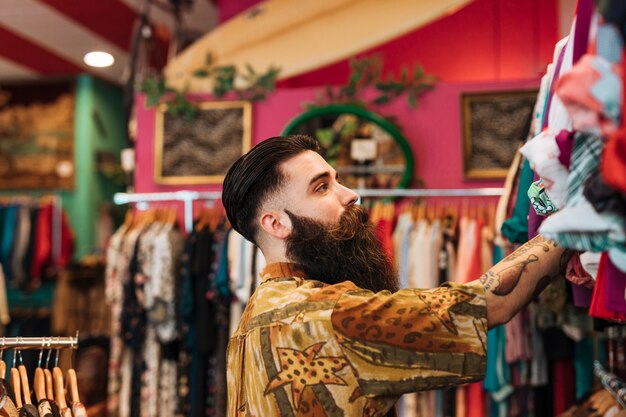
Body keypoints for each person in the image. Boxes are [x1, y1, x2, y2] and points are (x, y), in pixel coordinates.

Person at [222, 135, 570, 417]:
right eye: (322, 188)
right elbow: (489, 302)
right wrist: (575, 222)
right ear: (276, 223)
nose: (350, 194)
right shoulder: (320, 315)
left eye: (337, 180)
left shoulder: (249, 324)